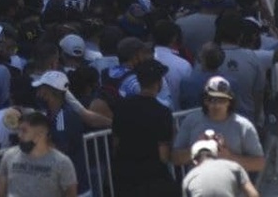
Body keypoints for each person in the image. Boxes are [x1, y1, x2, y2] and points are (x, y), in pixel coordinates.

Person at [173, 76, 264, 173]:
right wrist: (196, 149)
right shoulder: (191, 120)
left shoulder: (244, 126)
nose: (216, 105)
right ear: (205, 101)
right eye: (211, 99)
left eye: (222, 100)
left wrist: (229, 157)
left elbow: (259, 163)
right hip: (199, 181)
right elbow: (175, 158)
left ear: (229, 102)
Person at [110, 61, 175, 197]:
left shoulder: (122, 107)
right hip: (153, 179)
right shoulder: (162, 112)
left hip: (125, 177)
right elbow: (163, 155)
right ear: (159, 83)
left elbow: (115, 143)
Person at [0, 111, 78, 197]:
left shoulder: (62, 163)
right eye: (19, 130)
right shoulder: (9, 156)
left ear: (40, 135)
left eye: (24, 131)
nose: (19, 135)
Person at [181, 132, 259, 197]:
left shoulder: (188, 178)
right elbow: (253, 194)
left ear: (195, 161)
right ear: (215, 154)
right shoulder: (234, 167)